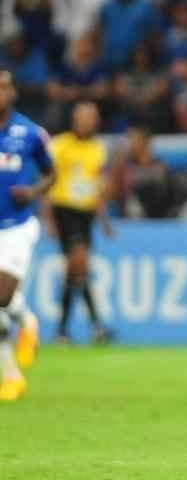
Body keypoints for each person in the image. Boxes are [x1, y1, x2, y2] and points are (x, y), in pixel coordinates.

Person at [0, 70, 55, 401]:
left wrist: (33, 191)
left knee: (1, 296)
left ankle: (23, 318)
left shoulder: (30, 133)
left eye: (4, 87)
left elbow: (52, 174)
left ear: (13, 92)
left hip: (17, 227)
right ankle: (11, 375)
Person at [45, 101, 114, 343]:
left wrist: (104, 220)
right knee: (80, 263)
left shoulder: (98, 149)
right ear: (75, 119)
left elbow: (98, 187)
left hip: (86, 214)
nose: (88, 121)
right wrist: (48, 217)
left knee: (74, 272)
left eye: (92, 117)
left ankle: (62, 331)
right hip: (65, 210)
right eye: (84, 116)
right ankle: (96, 326)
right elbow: (48, 181)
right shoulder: (59, 145)